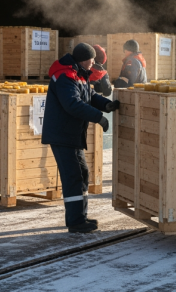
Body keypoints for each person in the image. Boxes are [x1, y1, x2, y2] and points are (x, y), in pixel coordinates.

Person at [43, 43, 119, 233]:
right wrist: (98, 117)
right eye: (92, 60)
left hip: (72, 135)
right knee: (73, 176)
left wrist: (106, 105)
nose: (93, 63)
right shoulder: (65, 76)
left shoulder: (79, 74)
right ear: (84, 59)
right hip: (62, 135)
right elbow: (72, 104)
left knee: (82, 174)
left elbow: (90, 95)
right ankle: (76, 222)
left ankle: (80, 216)